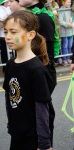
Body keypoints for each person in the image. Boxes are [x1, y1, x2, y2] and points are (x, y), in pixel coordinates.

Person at [3, 10, 55, 150]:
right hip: (17, 134)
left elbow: (42, 110)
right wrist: (11, 125)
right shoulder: (10, 65)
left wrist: (44, 144)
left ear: (31, 35)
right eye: (6, 31)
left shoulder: (36, 70)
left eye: (13, 32)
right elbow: (9, 99)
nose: (7, 36)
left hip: (34, 138)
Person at [58, 0, 74, 66]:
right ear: (63, 2)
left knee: (70, 45)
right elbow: (60, 21)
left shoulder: (71, 9)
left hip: (71, 30)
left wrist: (73, 23)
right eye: (68, 2)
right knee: (65, 45)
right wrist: (69, 24)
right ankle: (64, 59)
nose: (69, 3)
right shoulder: (61, 10)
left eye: (70, 2)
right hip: (64, 31)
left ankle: (68, 58)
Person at [0, 0, 11, 73]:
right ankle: (5, 68)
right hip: (2, 35)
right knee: (4, 52)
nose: (9, 3)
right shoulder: (1, 9)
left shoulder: (8, 8)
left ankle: (8, 67)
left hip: (9, 34)